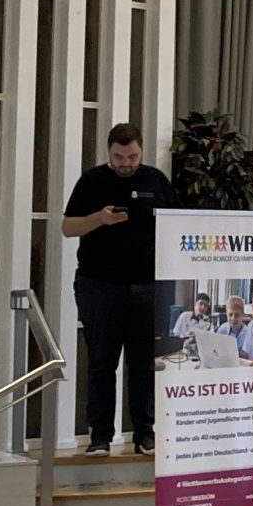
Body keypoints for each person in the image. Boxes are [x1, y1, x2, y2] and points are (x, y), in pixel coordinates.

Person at [61, 122, 174, 454]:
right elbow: (68, 227)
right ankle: (100, 436)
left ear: (141, 151)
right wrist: (99, 219)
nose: (126, 163)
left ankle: (145, 433)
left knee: (143, 363)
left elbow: (178, 221)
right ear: (109, 153)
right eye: (119, 157)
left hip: (147, 286)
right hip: (100, 285)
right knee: (101, 362)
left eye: (132, 157)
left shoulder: (155, 180)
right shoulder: (92, 181)